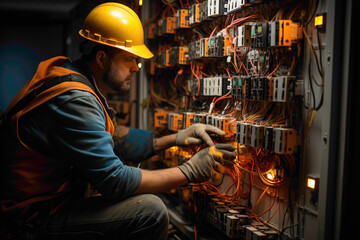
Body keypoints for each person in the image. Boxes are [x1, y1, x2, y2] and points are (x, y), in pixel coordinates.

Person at [0, 2, 236, 239]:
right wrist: (190, 170)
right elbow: (114, 180)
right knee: (150, 211)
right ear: (102, 58)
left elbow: (114, 138)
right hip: (31, 217)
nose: (136, 68)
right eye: (129, 60)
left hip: (47, 203)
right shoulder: (75, 99)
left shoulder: (71, 77)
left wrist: (176, 138)